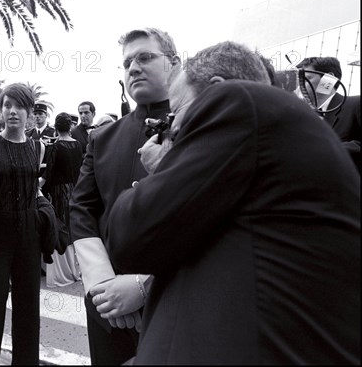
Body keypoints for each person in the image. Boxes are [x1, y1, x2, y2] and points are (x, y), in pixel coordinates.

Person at [105, 41, 360, 364]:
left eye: (177, 113)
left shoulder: (237, 101)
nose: (172, 129)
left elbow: (131, 236)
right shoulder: (278, 141)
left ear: (216, 90)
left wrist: (164, 168)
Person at [69, 27, 180, 365]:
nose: (133, 67)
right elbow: (81, 210)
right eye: (127, 62)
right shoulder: (102, 138)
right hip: (106, 312)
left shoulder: (203, 126)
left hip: (176, 302)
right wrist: (103, 285)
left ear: (174, 64)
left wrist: (145, 286)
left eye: (145, 57)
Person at [0, 83, 42, 365]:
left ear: (29, 111)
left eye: (19, 106)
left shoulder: (38, 147)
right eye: (6, 105)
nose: (12, 112)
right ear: (0, 110)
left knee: (28, 311)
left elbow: (37, 190)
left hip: (29, 235)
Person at [296, 56, 360, 172]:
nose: (300, 85)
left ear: (329, 78)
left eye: (307, 78)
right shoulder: (302, 116)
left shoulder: (356, 104)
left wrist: (327, 148)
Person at [41, 113, 82, 288]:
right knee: (72, 228)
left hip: (58, 192)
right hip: (74, 189)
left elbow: (48, 174)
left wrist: (41, 186)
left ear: (56, 128)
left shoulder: (55, 147)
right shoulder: (78, 145)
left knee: (59, 227)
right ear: (70, 127)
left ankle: (61, 272)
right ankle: (75, 269)